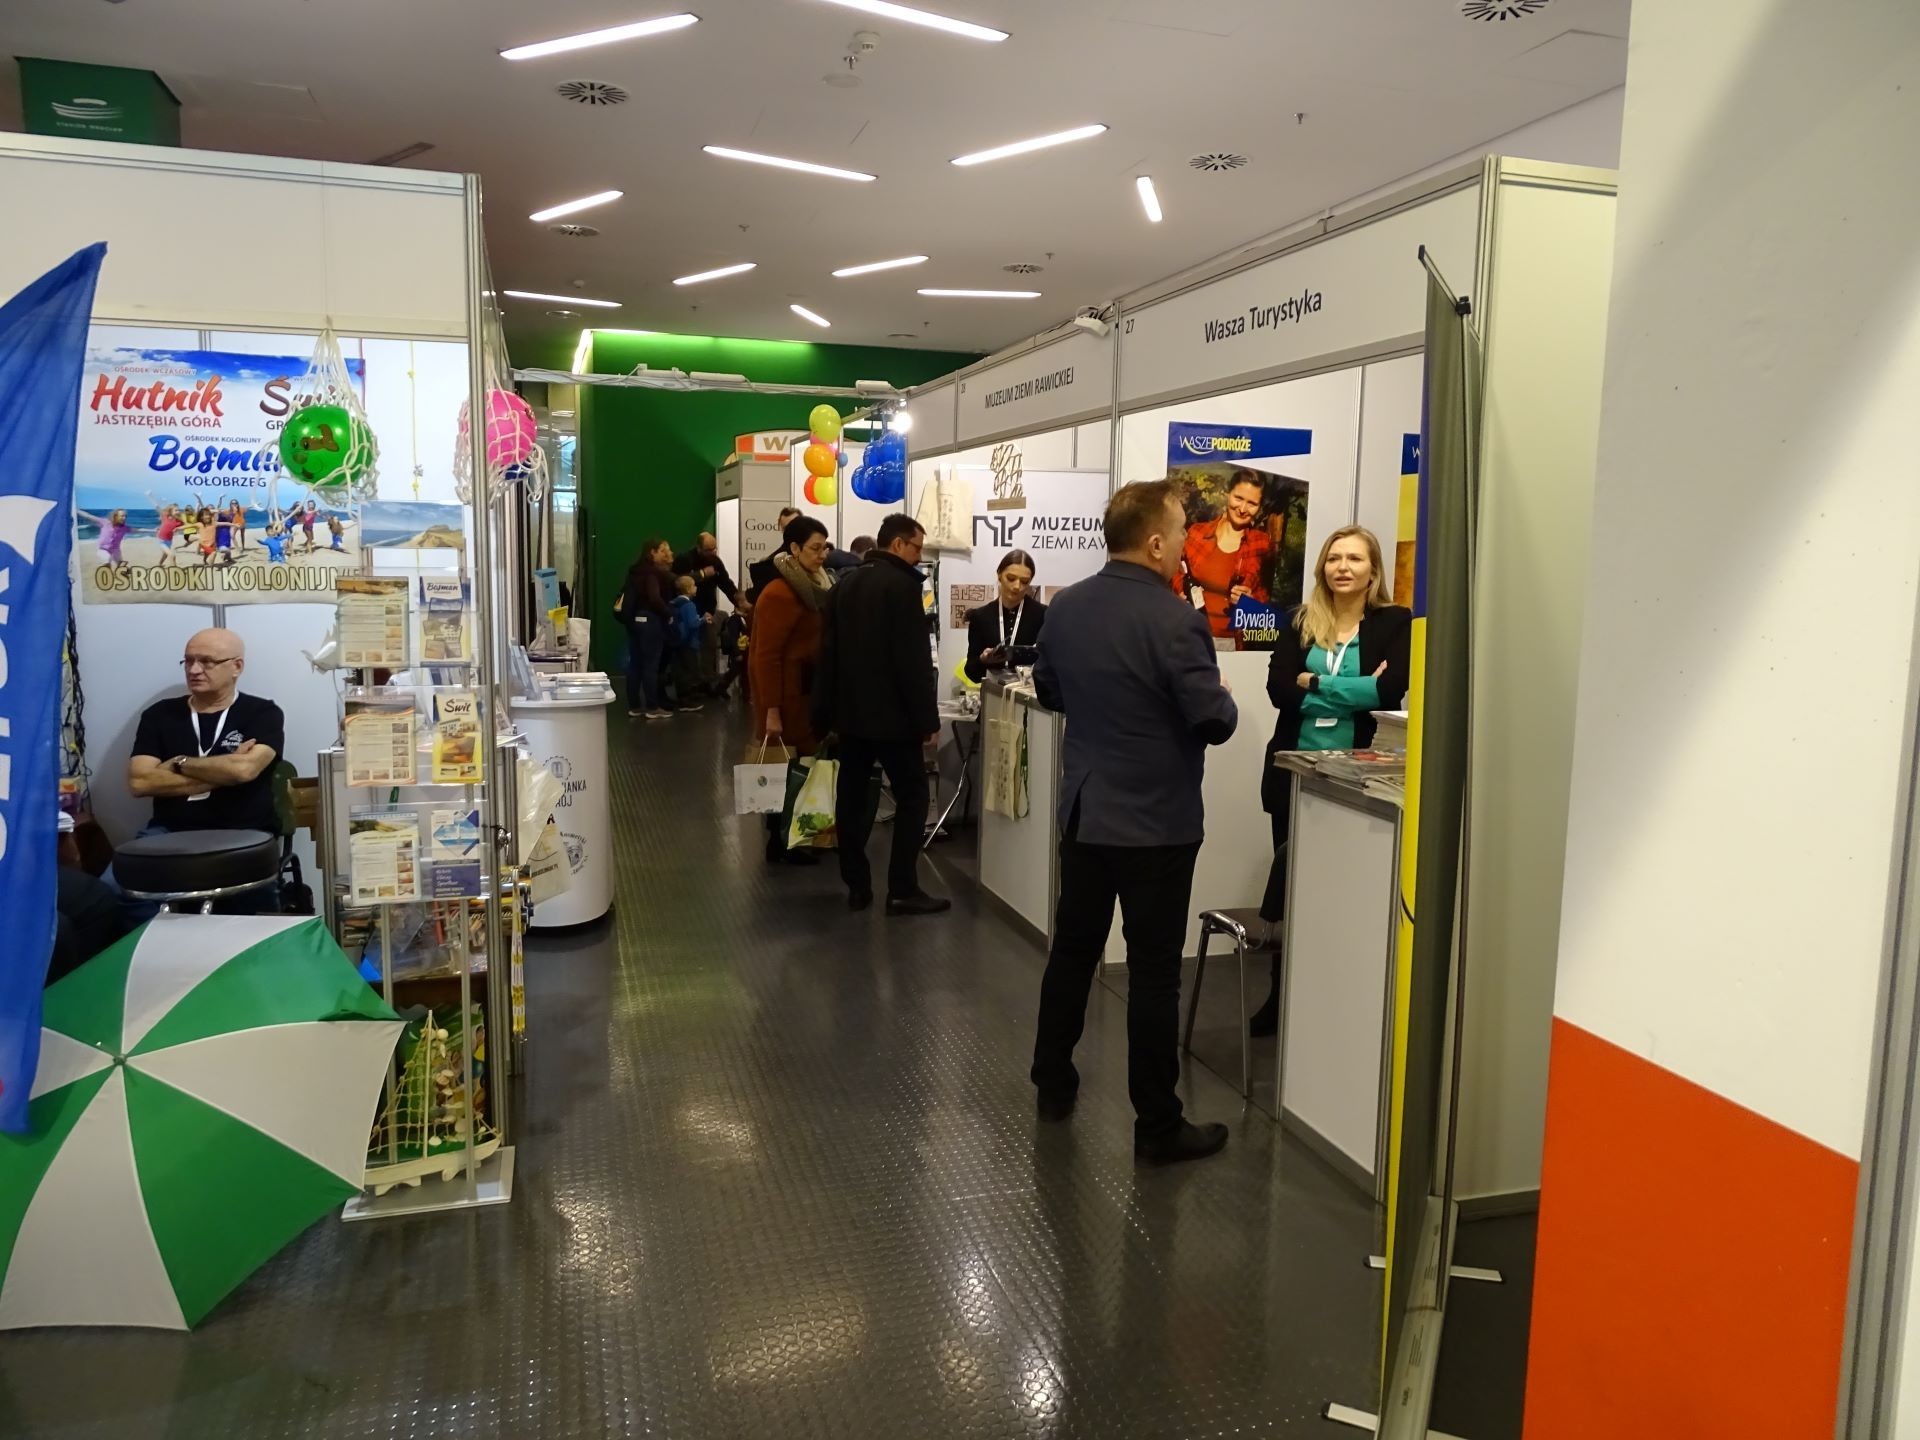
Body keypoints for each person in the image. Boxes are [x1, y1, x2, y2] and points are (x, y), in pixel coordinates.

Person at [1029, 480, 1239, 1166]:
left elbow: (1050, 690)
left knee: (1073, 951)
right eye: (1179, 533)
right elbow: (1213, 721)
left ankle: (1052, 1082)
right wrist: (1223, 697)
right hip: (1157, 822)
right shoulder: (1176, 620)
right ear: (1153, 543)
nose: (1184, 545)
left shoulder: (1066, 606)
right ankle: (1156, 1124)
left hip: (1087, 811)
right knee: (1153, 974)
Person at [1251, 525, 1412, 1033]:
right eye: (1334, 558)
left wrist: (1316, 681)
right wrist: (1354, 687)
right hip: (1296, 773)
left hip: (1358, 780)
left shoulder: (1394, 622)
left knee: (1347, 893)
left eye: (1355, 559)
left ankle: (1336, 1000)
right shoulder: (1301, 620)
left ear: (1373, 570)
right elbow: (1279, 689)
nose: (1343, 567)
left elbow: (1390, 691)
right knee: (1293, 888)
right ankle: (1282, 995)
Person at [813, 513, 948, 916]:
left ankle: (857, 885)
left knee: (852, 799)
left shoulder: (845, 584)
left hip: (851, 717)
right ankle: (902, 887)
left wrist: (825, 712)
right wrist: (927, 720)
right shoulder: (902, 588)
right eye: (917, 547)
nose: (920, 556)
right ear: (898, 544)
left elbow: (828, 654)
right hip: (894, 720)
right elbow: (913, 662)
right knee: (913, 797)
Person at [122, 627, 286, 914]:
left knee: (251, 912)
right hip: (169, 831)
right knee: (120, 891)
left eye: (207, 662)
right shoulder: (159, 715)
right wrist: (224, 770)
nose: (194, 670)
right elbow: (140, 782)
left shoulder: (262, 713)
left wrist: (179, 763)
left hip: (243, 832)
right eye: (188, 661)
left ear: (236, 667)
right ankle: (157, 945)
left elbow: (244, 770)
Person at [751, 516, 835, 864]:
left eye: (825, 547)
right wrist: (771, 709)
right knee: (784, 770)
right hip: (786, 698)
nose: (822, 555)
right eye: (816, 548)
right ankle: (782, 840)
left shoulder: (814, 587)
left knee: (803, 766)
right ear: (795, 548)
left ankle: (800, 836)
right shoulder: (780, 593)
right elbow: (765, 656)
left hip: (806, 693)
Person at [1178, 469, 1272, 641]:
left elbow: (1265, 599)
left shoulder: (1262, 544)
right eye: (1238, 498)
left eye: (1252, 503)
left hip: (1232, 641)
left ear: (1260, 507)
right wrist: (1179, 595)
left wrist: (1250, 602)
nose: (1242, 509)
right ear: (1228, 494)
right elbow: (1177, 575)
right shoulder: (1197, 533)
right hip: (1190, 635)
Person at [674, 531, 746, 695]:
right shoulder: (685, 560)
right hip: (687, 613)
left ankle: (706, 681)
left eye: (715, 549)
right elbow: (677, 581)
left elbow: (726, 584)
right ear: (699, 548)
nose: (713, 552)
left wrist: (740, 604)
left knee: (709, 645)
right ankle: (689, 686)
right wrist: (702, 575)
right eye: (709, 550)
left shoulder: (715, 562)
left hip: (707, 611)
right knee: (688, 651)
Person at [964, 548, 1047, 682]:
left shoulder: (1043, 615)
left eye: (1024, 581)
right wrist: (983, 660)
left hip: (1029, 693)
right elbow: (971, 672)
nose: (1017, 586)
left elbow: (1051, 666)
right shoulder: (980, 616)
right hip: (993, 692)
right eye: (1011, 578)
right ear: (999, 575)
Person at [619, 538, 677, 720]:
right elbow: (654, 598)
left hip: (634, 621)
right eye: (661, 551)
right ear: (652, 552)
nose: (665, 554)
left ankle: (634, 706)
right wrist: (668, 614)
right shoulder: (652, 573)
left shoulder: (634, 572)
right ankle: (652, 706)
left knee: (635, 664)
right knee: (650, 666)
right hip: (651, 622)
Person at [666, 574, 707, 712]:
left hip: (676, 642)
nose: (696, 588)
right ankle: (687, 700)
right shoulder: (689, 605)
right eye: (694, 585)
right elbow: (692, 624)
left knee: (680, 670)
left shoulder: (673, 603)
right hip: (689, 643)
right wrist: (703, 619)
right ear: (689, 589)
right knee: (690, 671)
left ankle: (682, 697)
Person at [745, 507, 803, 601]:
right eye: (786, 528)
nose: (791, 530)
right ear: (780, 527)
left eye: (794, 526)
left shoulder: (817, 552)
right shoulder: (770, 563)